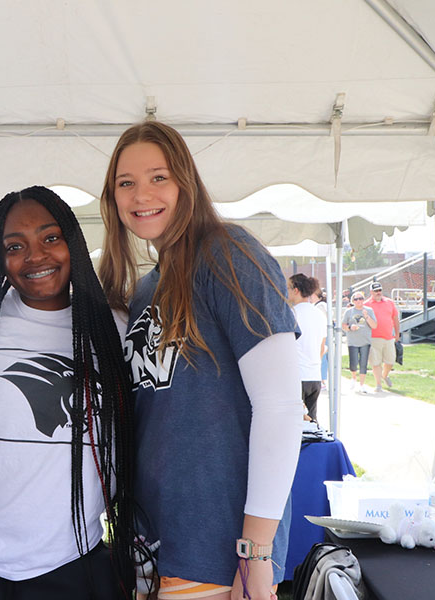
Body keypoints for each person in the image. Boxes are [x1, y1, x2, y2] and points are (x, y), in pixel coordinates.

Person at [98, 121, 303, 600]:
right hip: (153, 551)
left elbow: (281, 408)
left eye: (158, 177)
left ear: (185, 181)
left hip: (217, 554)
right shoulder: (148, 287)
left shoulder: (228, 254)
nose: (140, 194)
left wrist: (256, 554)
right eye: (125, 183)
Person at [0, 186, 138, 599]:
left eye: (51, 238)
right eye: (15, 246)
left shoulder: (113, 328)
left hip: (73, 560)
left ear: (72, 242)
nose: (36, 256)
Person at [288, 274, 328, 422]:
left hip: (298, 376)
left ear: (296, 290)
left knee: (296, 427)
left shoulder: (292, 314)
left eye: (288, 288)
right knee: (312, 426)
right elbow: (322, 348)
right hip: (314, 377)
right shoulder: (319, 314)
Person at [364, 281, 400, 393]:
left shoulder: (389, 302)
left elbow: (395, 319)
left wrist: (397, 333)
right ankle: (378, 384)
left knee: (390, 361)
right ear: (371, 292)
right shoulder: (367, 304)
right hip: (374, 338)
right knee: (376, 362)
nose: (378, 292)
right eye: (375, 291)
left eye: (379, 290)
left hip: (389, 337)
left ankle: (384, 376)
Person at [341, 291, 377, 392]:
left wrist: (366, 317)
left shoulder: (369, 310)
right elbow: (343, 325)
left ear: (363, 299)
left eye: (360, 298)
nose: (358, 301)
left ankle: (362, 384)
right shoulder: (349, 312)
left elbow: (374, 326)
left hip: (365, 341)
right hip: (352, 341)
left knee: (363, 363)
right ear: (353, 301)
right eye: (356, 299)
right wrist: (350, 327)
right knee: (353, 363)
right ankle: (353, 377)